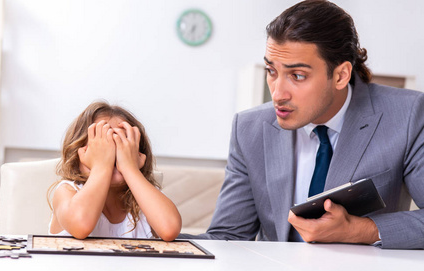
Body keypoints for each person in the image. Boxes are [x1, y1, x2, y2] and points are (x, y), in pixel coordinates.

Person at [179, 0, 424, 249]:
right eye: (271, 71)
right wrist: (147, 238)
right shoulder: (249, 128)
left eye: (297, 76)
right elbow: (227, 238)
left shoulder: (406, 114)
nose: (277, 94)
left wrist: (360, 231)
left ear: (341, 75)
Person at [48, 101, 182, 241]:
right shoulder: (67, 191)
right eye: (101, 147)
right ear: (78, 154)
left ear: (138, 156)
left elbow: (170, 229)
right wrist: (101, 167)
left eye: (121, 145)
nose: (111, 156)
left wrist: (130, 169)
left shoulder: (143, 198)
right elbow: (81, 226)